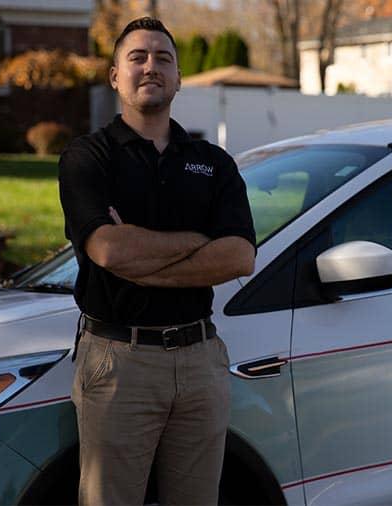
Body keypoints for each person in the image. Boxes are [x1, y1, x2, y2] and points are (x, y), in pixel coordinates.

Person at [58, 17, 256, 506]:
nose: (151, 66)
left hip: (200, 360)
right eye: (138, 57)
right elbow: (106, 250)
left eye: (163, 58)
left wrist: (138, 254)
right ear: (114, 76)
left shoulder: (214, 163)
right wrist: (198, 240)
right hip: (119, 360)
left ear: (179, 77)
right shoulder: (88, 157)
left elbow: (240, 255)